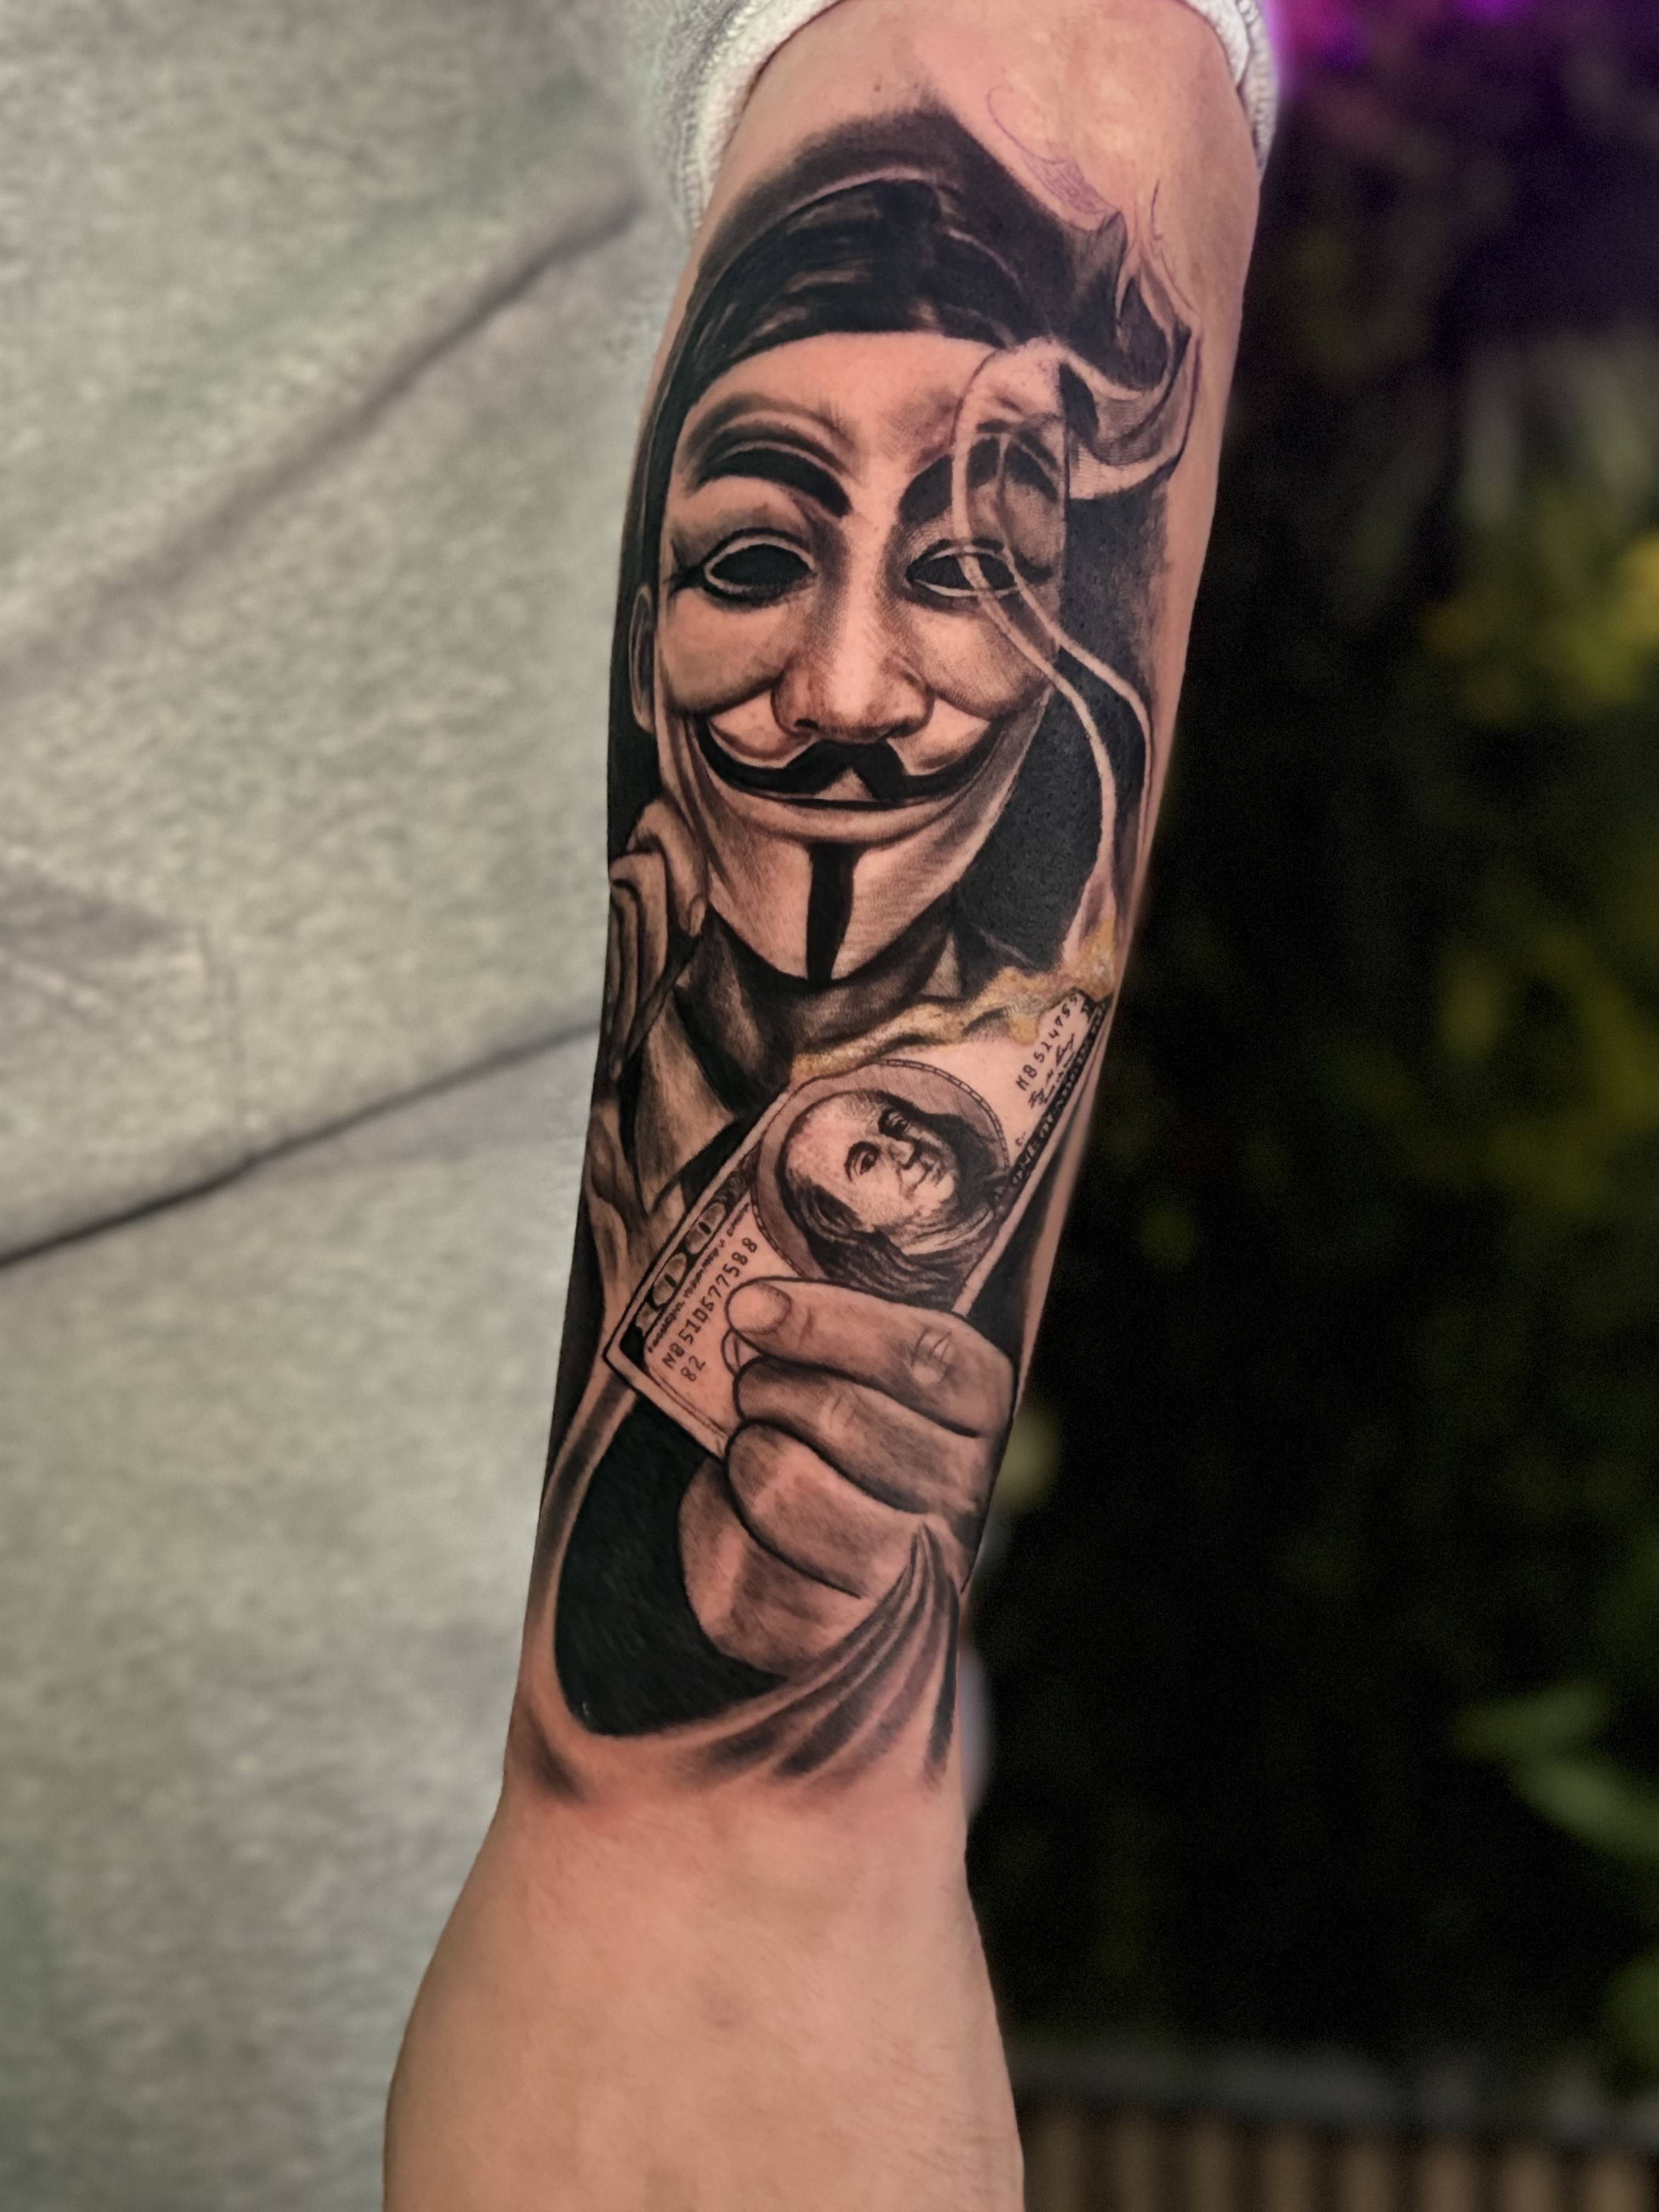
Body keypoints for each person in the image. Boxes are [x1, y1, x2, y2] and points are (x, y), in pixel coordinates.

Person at [388, 2, 1268, 2206]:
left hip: (400, 1736)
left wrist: (723, 1836)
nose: (856, 690)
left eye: (966, 568)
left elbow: (1034, 56)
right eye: (758, 558)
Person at [774, 1076, 1006, 1305]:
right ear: (847, 1220)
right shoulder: (933, 1304)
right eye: (868, 1162)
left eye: (899, 1125)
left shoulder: (1006, 1187)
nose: (906, 1148)